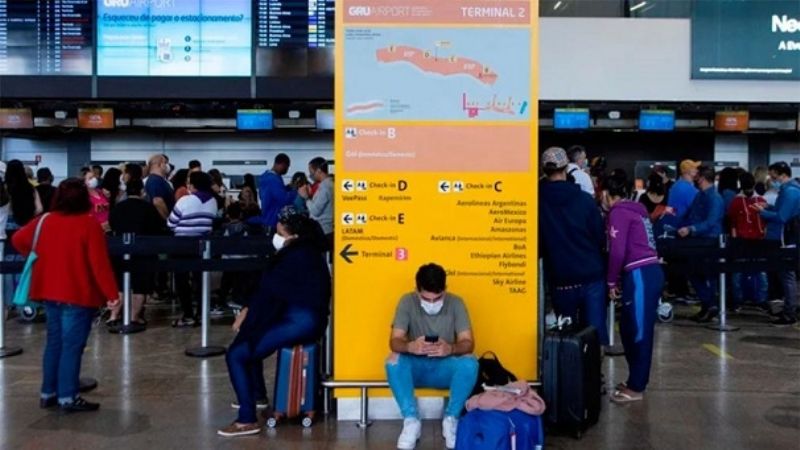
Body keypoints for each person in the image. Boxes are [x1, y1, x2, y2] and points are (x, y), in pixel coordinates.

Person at [220, 206, 330, 438]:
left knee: (237, 353)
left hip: (300, 320)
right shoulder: (308, 251)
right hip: (309, 318)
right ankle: (257, 395)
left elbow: (268, 293)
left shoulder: (293, 256)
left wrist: (248, 312)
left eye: (279, 230)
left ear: (290, 234)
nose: (276, 235)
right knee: (252, 342)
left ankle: (247, 419)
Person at [11, 178, 119, 412]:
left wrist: (38, 255)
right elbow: (99, 265)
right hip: (78, 294)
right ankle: (68, 397)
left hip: (49, 292)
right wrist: (112, 295)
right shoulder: (89, 225)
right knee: (72, 346)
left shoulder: (45, 221)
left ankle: (48, 392)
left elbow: (18, 239)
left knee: (55, 344)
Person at [386, 263, 477, 450]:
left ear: (445, 290)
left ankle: (451, 420)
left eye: (438, 298)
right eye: (427, 298)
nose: (433, 303)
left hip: (445, 368)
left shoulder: (456, 303)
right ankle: (411, 421)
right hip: (416, 368)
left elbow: (468, 343)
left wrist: (450, 349)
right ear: (417, 290)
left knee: (470, 363)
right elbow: (394, 341)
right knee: (393, 360)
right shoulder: (407, 301)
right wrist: (410, 346)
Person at [603, 174, 664, 404]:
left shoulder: (618, 212)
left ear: (608, 194)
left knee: (637, 331)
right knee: (630, 328)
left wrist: (611, 280)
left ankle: (637, 387)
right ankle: (634, 380)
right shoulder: (638, 210)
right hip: (647, 272)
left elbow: (617, 251)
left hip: (639, 274)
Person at [539, 147, 608, 344]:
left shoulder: (538, 201)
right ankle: (594, 373)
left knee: (566, 335)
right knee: (594, 332)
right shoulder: (585, 200)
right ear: (566, 168)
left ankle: (569, 372)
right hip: (591, 275)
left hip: (561, 278)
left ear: (544, 170)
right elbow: (599, 236)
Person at [107, 178, 166, 328]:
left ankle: (113, 315)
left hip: (120, 250)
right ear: (142, 191)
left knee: (120, 284)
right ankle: (134, 317)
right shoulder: (148, 208)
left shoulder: (118, 208)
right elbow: (158, 228)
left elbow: (111, 225)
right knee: (141, 285)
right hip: (143, 251)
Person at [168, 172, 219, 327]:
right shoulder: (213, 201)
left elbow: (171, 223)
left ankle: (188, 314)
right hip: (202, 246)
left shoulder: (185, 200)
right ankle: (201, 314)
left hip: (181, 245)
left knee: (182, 281)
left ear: (193, 184)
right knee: (200, 280)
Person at [753, 162, 800, 326]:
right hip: (788, 237)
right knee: (787, 275)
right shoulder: (789, 190)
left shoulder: (790, 192)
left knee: (787, 275)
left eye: (773, 175)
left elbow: (782, 217)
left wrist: (762, 212)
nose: (771, 179)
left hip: (786, 238)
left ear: (781, 174)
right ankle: (790, 308)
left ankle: (790, 312)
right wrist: (769, 207)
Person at [678, 165, 724, 323]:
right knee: (694, 272)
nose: (695, 179)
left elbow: (711, 222)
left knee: (708, 275)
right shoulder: (701, 196)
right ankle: (707, 304)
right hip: (698, 240)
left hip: (709, 242)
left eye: (697, 176)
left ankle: (711, 304)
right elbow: (691, 214)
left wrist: (691, 228)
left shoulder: (714, 198)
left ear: (702, 178)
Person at [727, 172, 768, 310]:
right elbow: (732, 222)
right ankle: (738, 300)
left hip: (758, 238)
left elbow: (765, 221)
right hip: (742, 239)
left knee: (760, 272)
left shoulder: (761, 200)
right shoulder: (736, 201)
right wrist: (734, 239)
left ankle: (760, 299)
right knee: (738, 272)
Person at [299, 157, 333, 251]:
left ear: (318, 170)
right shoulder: (328, 184)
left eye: (311, 172)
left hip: (324, 231)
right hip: (327, 230)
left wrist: (306, 197)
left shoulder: (325, 188)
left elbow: (315, 211)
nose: (310, 175)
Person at [254, 154, 295, 232]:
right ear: (282, 164)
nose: (287, 170)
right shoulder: (273, 179)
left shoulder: (265, 177)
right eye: (287, 167)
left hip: (267, 217)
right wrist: (296, 192)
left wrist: (286, 188)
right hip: (273, 220)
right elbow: (284, 199)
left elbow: (269, 195)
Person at [5, 160, 43, 231]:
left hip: (6, 224)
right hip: (27, 224)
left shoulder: (5, 188)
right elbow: (39, 209)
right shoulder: (31, 188)